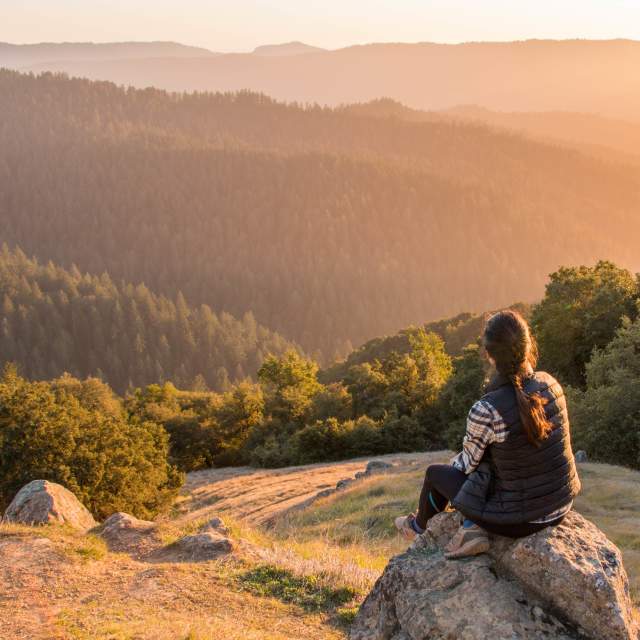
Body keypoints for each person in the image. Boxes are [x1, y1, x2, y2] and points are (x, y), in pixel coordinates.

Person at [395, 309, 581, 558]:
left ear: (489, 355)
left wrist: (454, 465)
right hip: (561, 502)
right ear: (527, 346)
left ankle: (418, 527)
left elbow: (467, 465)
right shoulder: (551, 383)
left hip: (521, 521)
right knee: (493, 461)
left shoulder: (487, 408)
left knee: (436, 474)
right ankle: (471, 526)